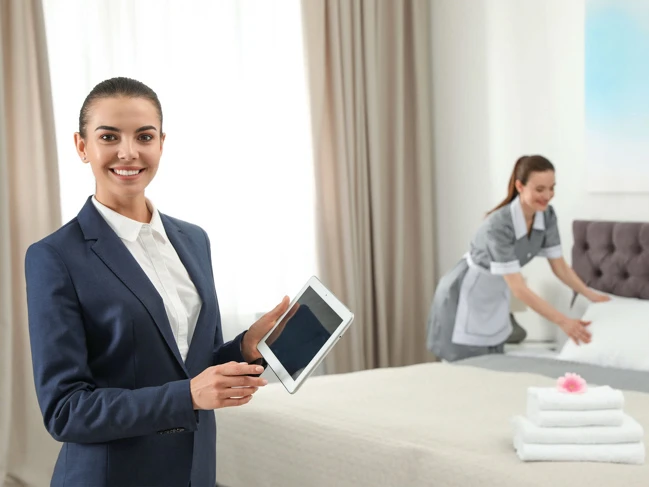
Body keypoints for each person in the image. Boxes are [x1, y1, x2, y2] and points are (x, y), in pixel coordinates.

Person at [24, 77, 289, 487]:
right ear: (82, 146)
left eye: (143, 136)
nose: (127, 152)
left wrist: (245, 347)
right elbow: (66, 410)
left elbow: (188, 366)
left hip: (194, 473)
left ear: (161, 143)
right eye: (108, 136)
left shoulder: (194, 240)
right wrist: (186, 397)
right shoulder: (54, 257)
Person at [426, 155, 610, 362]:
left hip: (495, 294)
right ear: (520, 186)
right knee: (462, 369)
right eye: (540, 189)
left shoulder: (547, 215)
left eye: (552, 188)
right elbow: (519, 288)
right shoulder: (499, 225)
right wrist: (563, 322)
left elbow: (559, 266)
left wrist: (589, 294)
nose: (548, 195)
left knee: (491, 367)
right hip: (465, 296)